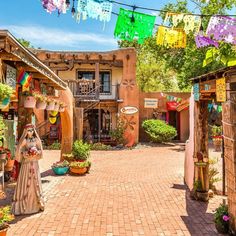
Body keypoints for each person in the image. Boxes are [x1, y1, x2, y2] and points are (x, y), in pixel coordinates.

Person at [12, 124, 44, 215]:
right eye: (29, 130)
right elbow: (19, 151)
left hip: (34, 163)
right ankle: (23, 207)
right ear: (26, 132)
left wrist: (36, 152)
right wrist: (26, 153)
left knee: (35, 183)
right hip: (26, 165)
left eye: (32, 130)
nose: (31, 132)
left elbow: (41, 151)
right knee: (25, 182)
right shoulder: (24, 140)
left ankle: (36, 204)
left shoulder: (36, 140)